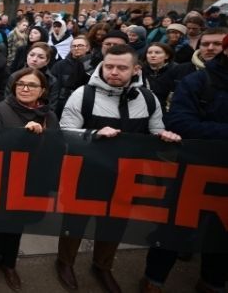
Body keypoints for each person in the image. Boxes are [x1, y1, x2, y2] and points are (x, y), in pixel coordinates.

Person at [56, 44, 181, 293]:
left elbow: (155, 130)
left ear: (135, 69)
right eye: (109, 66)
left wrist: (163, 136)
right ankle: (65, 262)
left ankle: (102, 266)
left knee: (115, 223)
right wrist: (92, 134)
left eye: (121, 67)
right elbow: (65, 133)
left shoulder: (148, 98)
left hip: (126, 176)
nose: (114, 72)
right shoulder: (83, 94)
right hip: (86, 173)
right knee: (75, 220)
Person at [141, 35, 228, 293]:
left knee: (222, 230)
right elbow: (179, 122)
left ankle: (212, 281)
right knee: (175, 226)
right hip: (195, 169)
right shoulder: (199, 81)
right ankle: (153, 279)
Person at [0, 67, 60, 292]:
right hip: (2, 179)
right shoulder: (1, 109)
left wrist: (42, 137)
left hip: (31, 182)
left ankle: (9, 264)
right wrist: (21, 135)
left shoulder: (49, 115)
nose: (25, 88)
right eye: (21, 84)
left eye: (32, 85)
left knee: (17, 223)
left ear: (42, 90)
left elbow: (57, 149)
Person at [7, 42, 61, 114]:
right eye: (31, 55)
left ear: (47, 61)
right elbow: (7, 101)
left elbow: (51, 108)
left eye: (41, 57)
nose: (34, 59)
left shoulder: (52, 81)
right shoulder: (14, 76)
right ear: (27, 56)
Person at [50, 35, 92, 118]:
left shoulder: (93, 65)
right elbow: (54, 90)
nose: (76, 48)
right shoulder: (60, 65)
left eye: (80, 45)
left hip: (86, 103)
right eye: (74, 46)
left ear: (87, 48)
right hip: (63, 104)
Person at [141, 42, 175, 108]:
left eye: (157, 52)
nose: (152, 55)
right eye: (149, 53)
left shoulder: (176, 70)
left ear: (167, 56)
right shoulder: (140, 70)